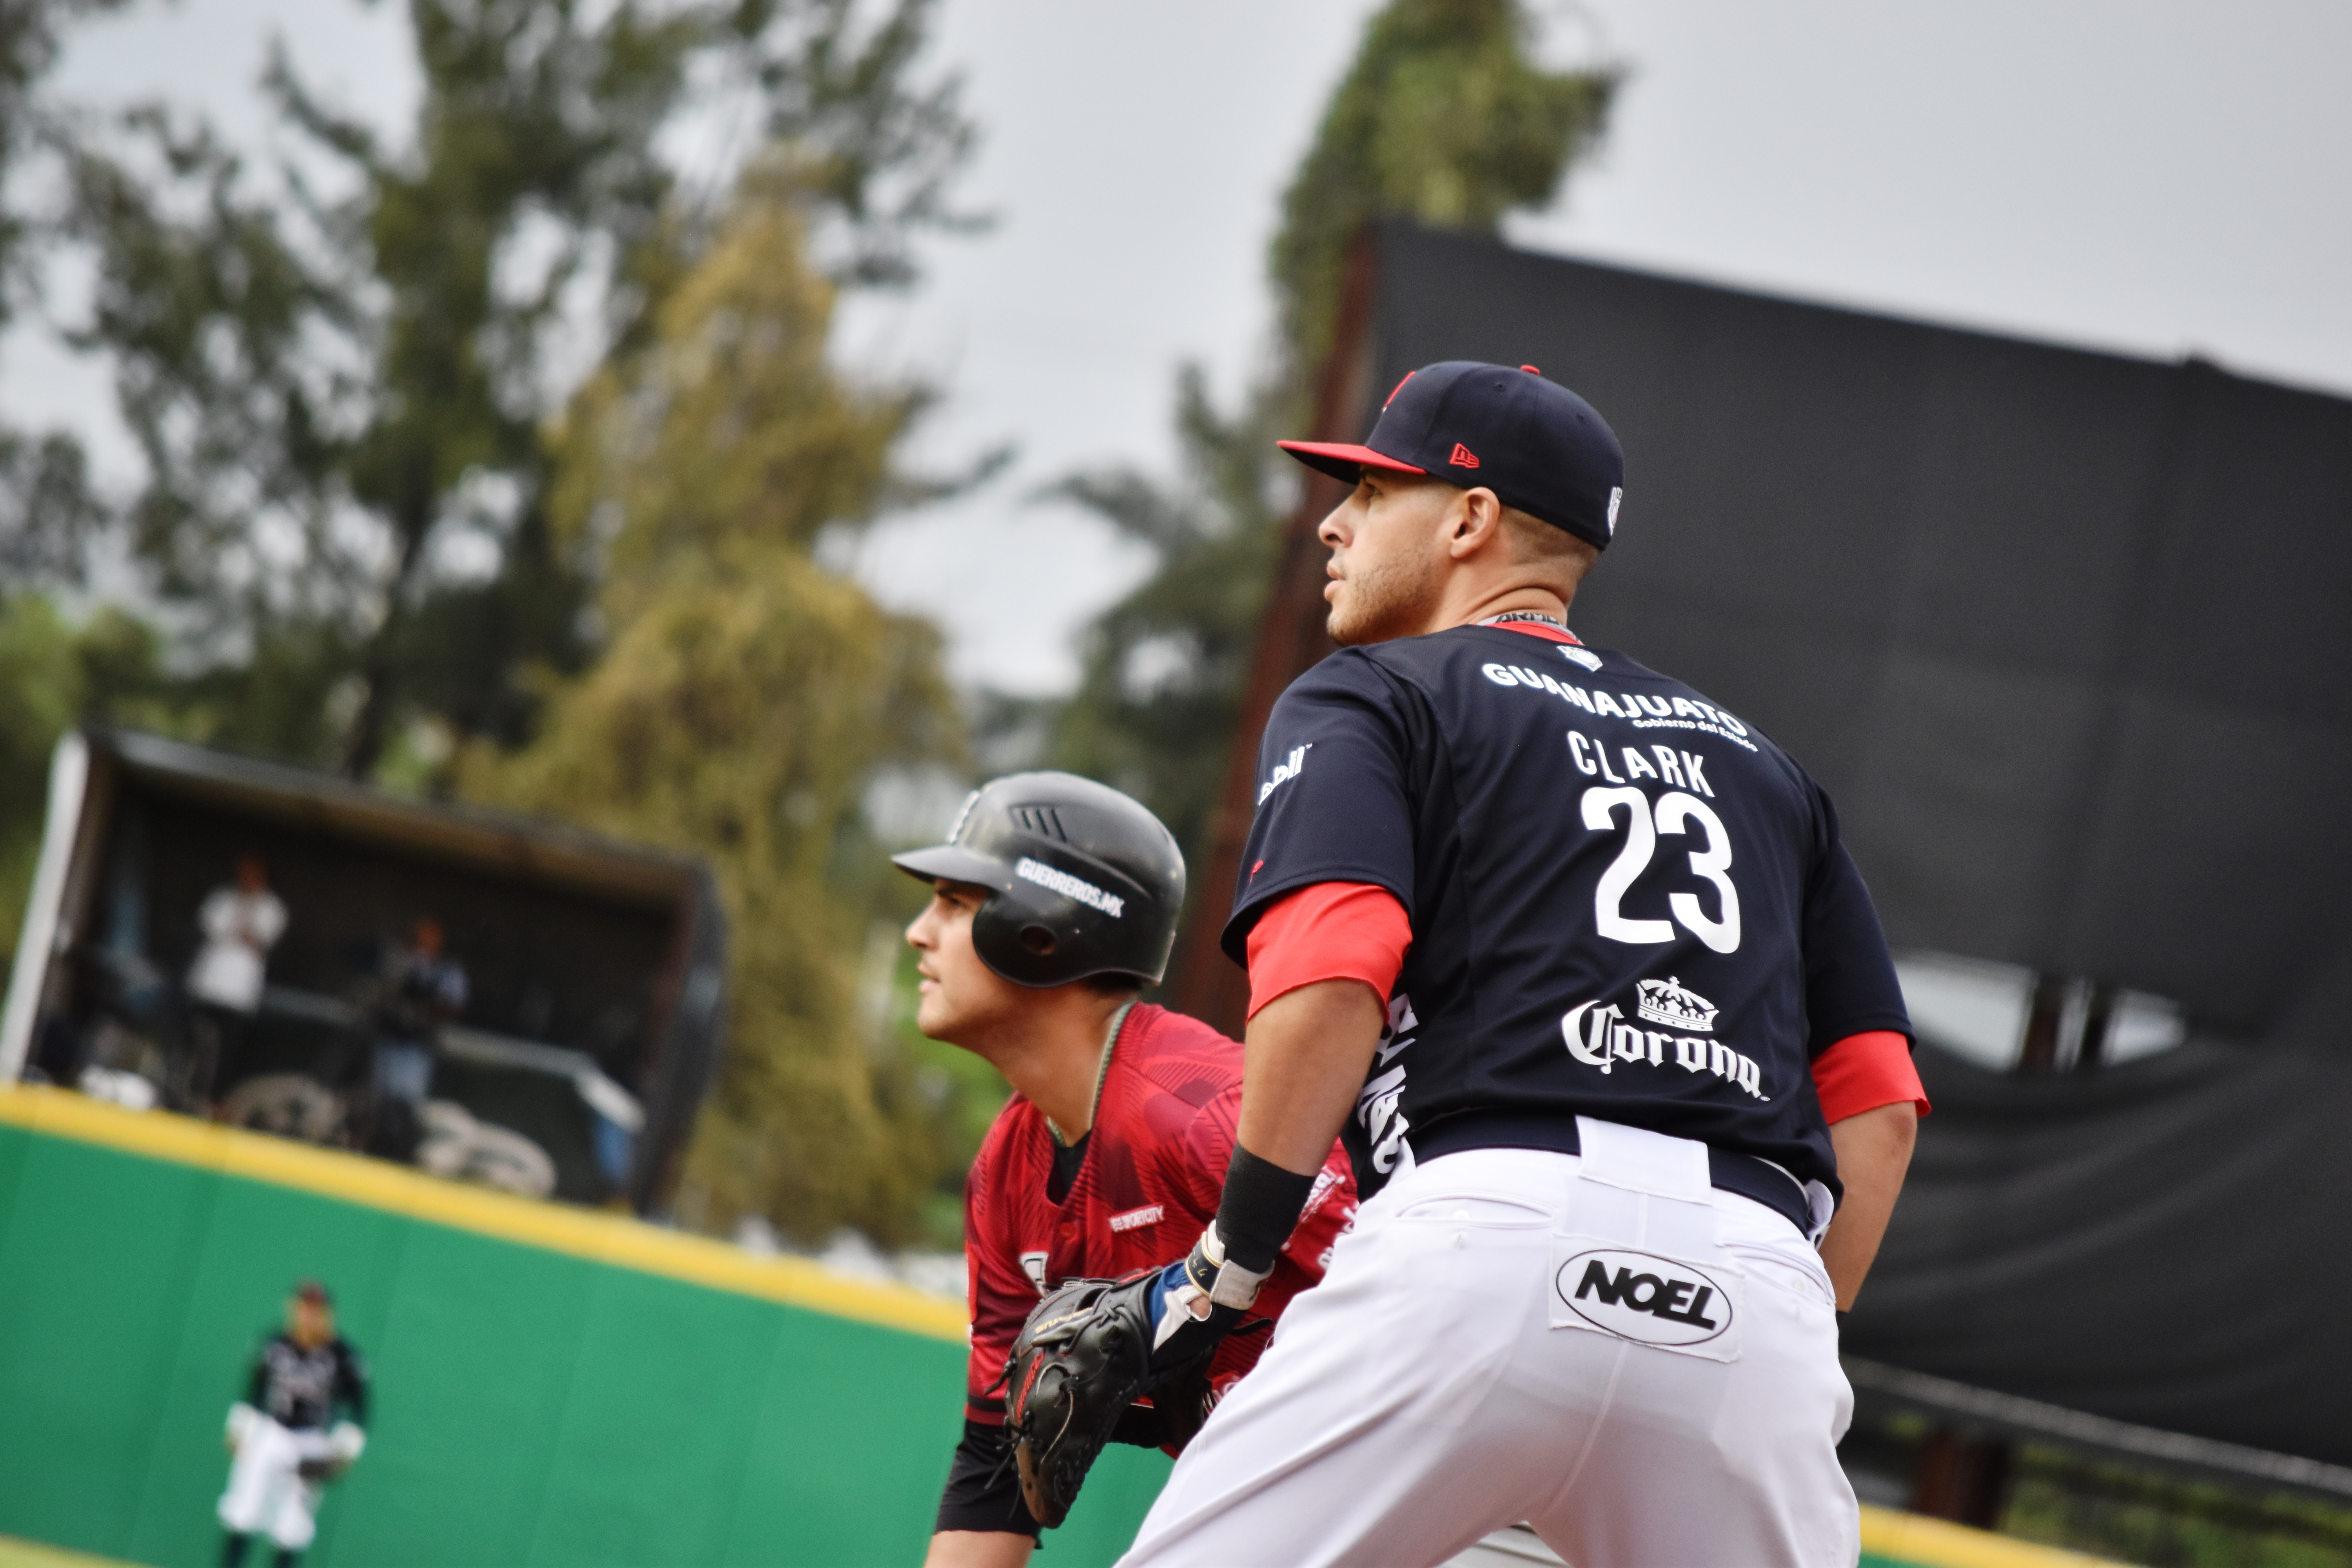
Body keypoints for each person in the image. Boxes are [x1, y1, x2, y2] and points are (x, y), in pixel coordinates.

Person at [1105, 362, 1932, 1567]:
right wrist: (1764, 1326)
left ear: (1467, 519)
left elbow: (1334, 971)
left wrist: (1223, 1267)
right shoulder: (1759, 765)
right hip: (1753, 1287)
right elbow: (1876, 1106)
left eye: (1374, 492)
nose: (1333, 522)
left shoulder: (1372, 694)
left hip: (1485, 1231)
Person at [895, 772, 1356, 1567]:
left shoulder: (1207, 1111)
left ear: (1041, 926)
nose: (918, 931)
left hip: (1452, 1498)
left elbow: (1428, 1288)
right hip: (1299, 1507)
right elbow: (992, 1467)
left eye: (954, 900)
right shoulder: (1006, 1172)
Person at [218, 1280, 369, 1568]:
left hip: (313, 1441)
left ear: (329, 1314)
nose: (310, 1316)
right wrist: (239, 1429)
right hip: (271, 1432)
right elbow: (254, 1391)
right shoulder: (274, 1345)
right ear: (293, 1309)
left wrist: (344, 1455)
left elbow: (360, 1409)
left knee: (293, 1526)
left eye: (317, 1310)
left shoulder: (343, 1356)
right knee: (243, 1510)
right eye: (304, 1308)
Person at [183, 853, 287, 1109]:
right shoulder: (222, 898)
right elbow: (212, 928)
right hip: (207, 985)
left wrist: (245, 927)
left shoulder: (272, 908)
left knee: (227, 1053)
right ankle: (185, 1093)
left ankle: (214, 1101)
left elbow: (259, 940)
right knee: (195, 1043)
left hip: (239, 994)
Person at [365, 916, 468, 1158]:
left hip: (417, 1046)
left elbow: (454, 1005)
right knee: (382, 1101)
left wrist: (425, 1008)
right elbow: (383, 991)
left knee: (406, 1103)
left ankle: (403, 1152)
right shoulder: (403, 962)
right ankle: (378, 1149)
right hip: (390, 1037)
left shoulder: (446, 970)